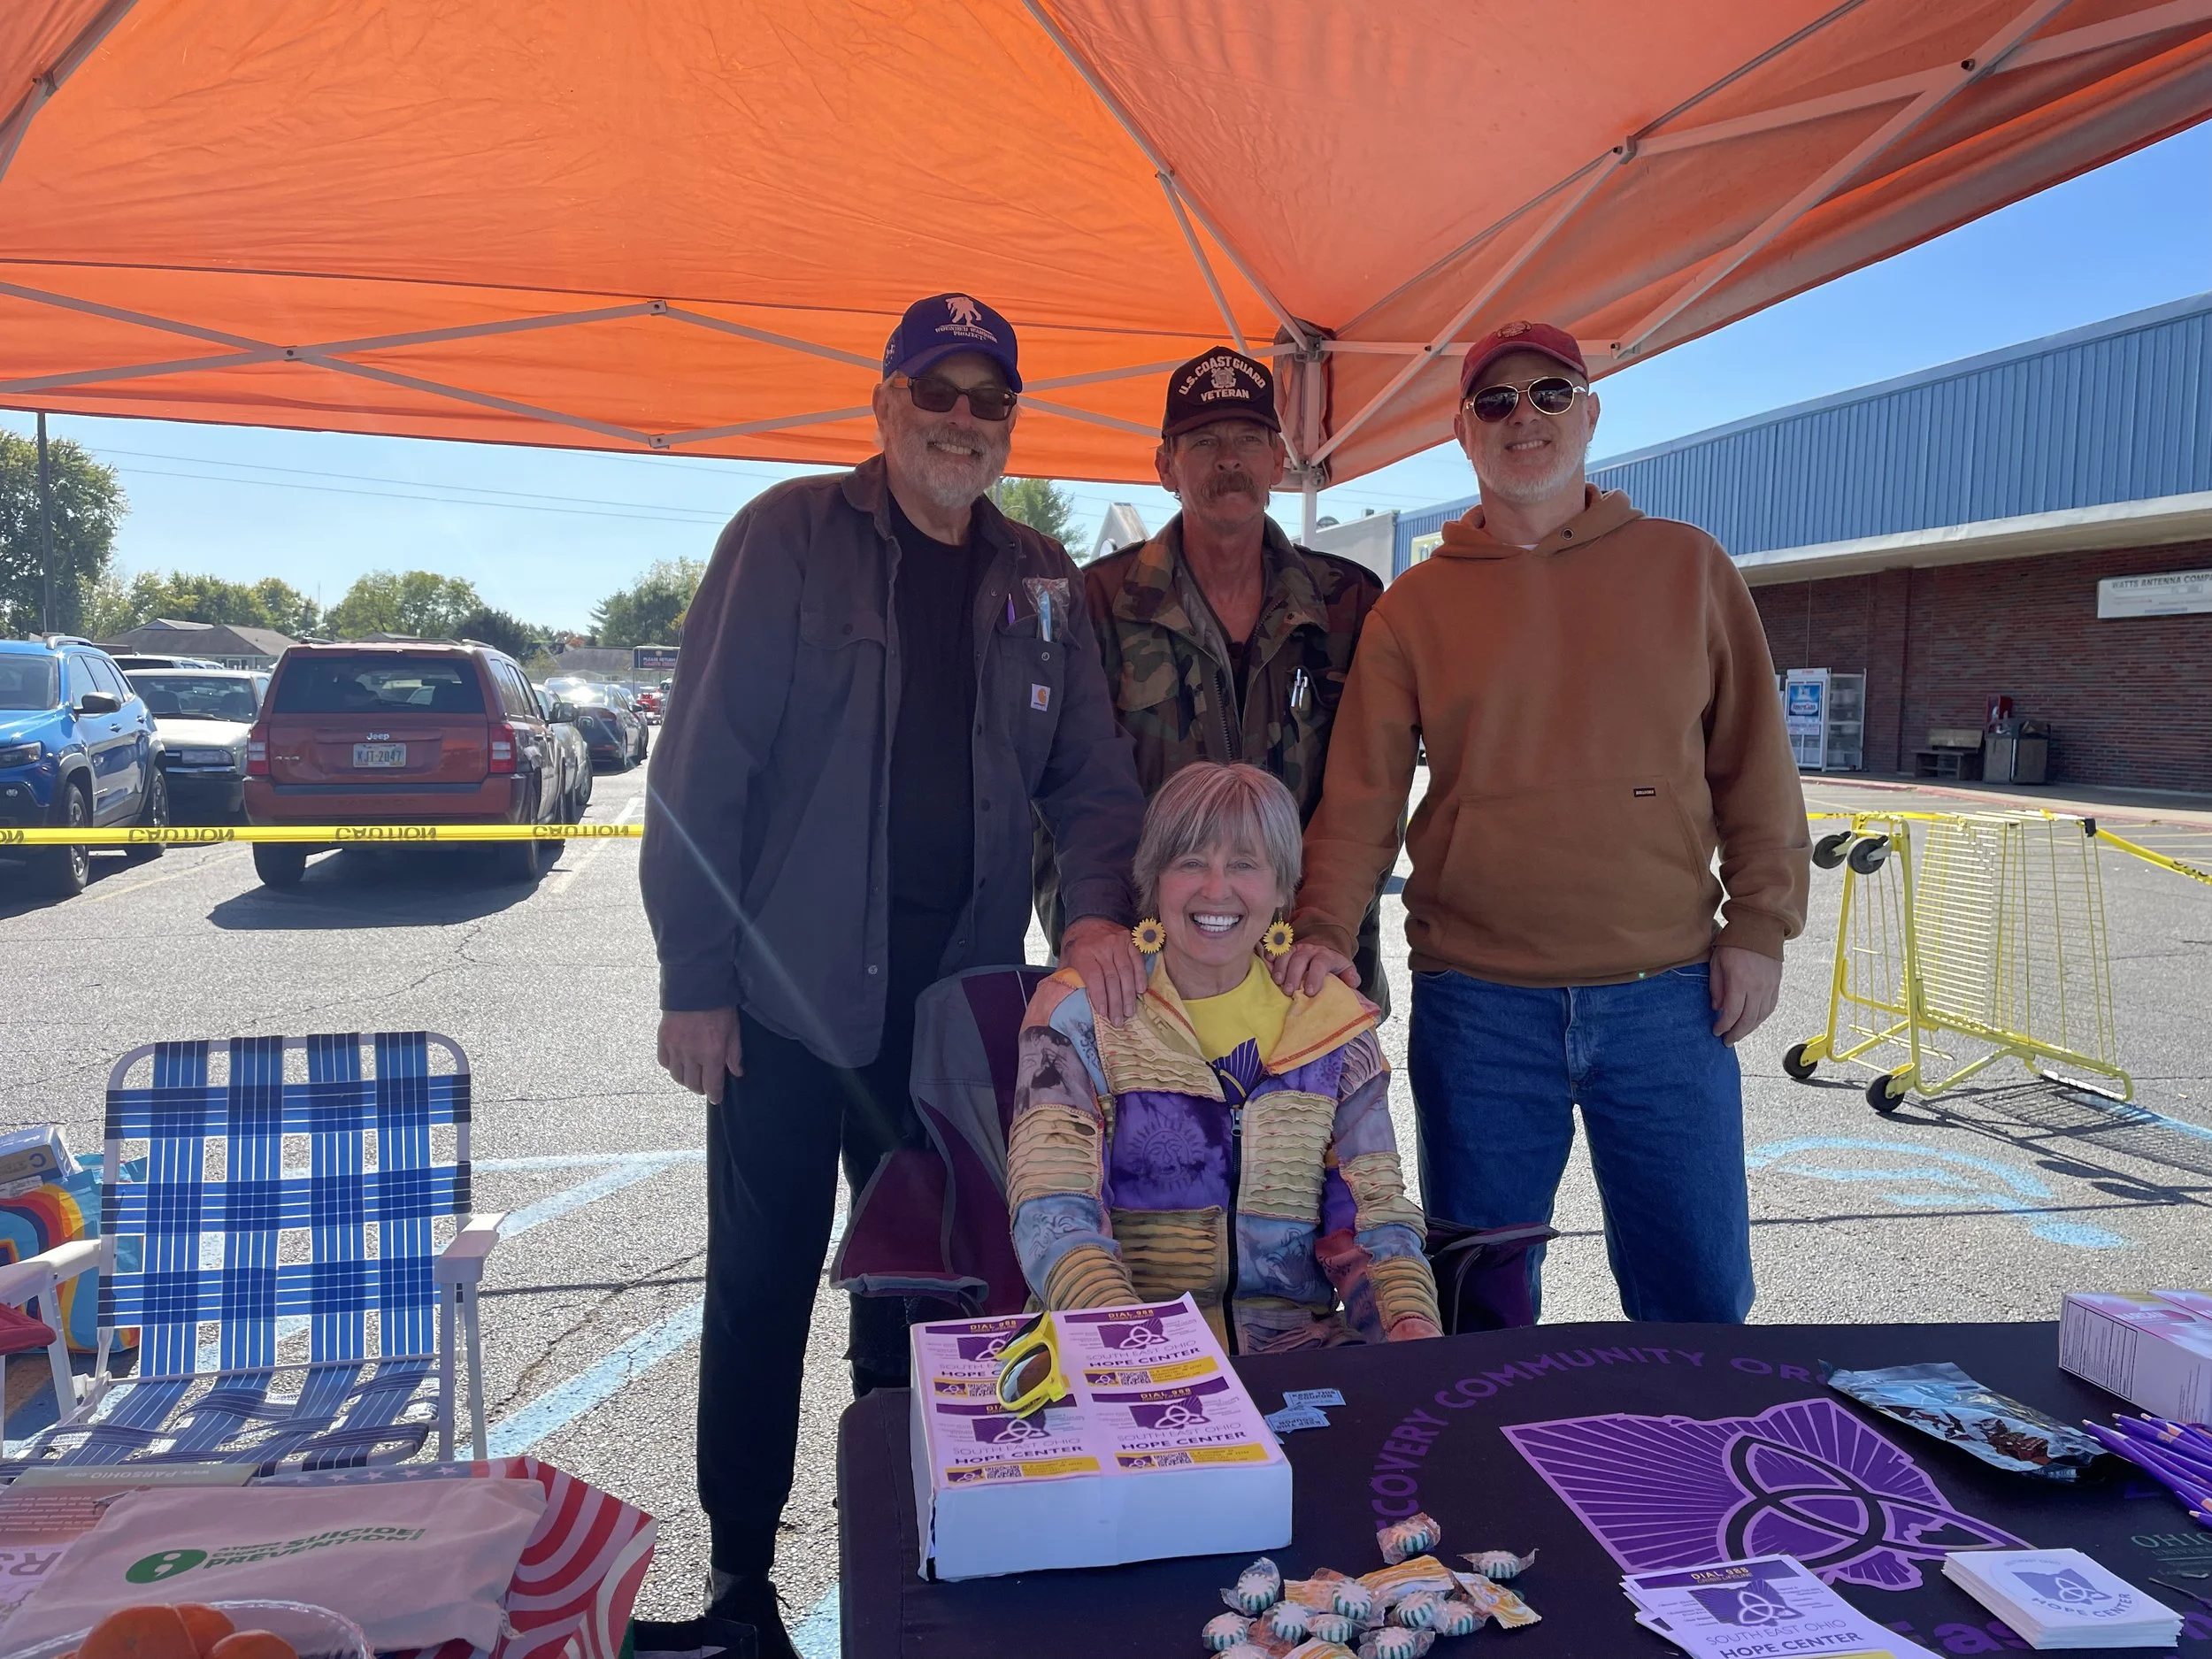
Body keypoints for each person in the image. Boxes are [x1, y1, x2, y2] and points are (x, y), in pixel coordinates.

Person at [641, 292, 1148, 1650]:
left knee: (923, 1296)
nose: (963, 422)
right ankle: (742, 1588)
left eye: (990, 401)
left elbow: (1094, 776)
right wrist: (694, 973)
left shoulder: (1042, 577)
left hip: (952, 1024)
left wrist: (1097, 913)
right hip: (783, 1009)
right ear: (884, 402)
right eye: (939, 393)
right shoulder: (787, 538)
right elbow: (703, 769)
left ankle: (912, 1567)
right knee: (758, 1288)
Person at [1281, 319, 1810, 1326]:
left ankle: (1688, 1478)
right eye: (1496, 402)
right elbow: (1361, 800)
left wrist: (1758, 929)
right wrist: (1319, 932)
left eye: (1550, 395)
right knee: (1480, 1302)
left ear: (1590, 413)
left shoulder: (1687, 568)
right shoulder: (1415, 608)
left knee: (1695, 1299)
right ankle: (1485, 1485)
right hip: (1479, 1010)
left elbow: (1754, 767)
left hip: (1668, 1003)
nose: (1524, 417)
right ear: (1463, 432)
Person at [1009, 762, 1440, 1350]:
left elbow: (1374, 1220)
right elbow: (1055, 1217)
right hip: (1121, 1347)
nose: (1216, 889)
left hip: (1296, 1354)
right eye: (1190, 862)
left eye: (1244, 864)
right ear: (1153, 877)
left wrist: (1411, 1331)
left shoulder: (1331, 1025)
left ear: (1284, 886)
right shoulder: (1078, 1015)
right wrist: (1141, 1350)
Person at [1034, 347, 1391, 1005]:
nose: (1229, 458)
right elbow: (1063, 790)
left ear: (1279, 460)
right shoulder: (1097, 604)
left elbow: (1370, 796)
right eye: (1204, 440)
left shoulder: (1348, 604)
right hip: (1146, 984)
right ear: (1166, 465)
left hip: (1304, 974)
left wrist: (1328, 931)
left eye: (1249, 439)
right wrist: (1095, 929)